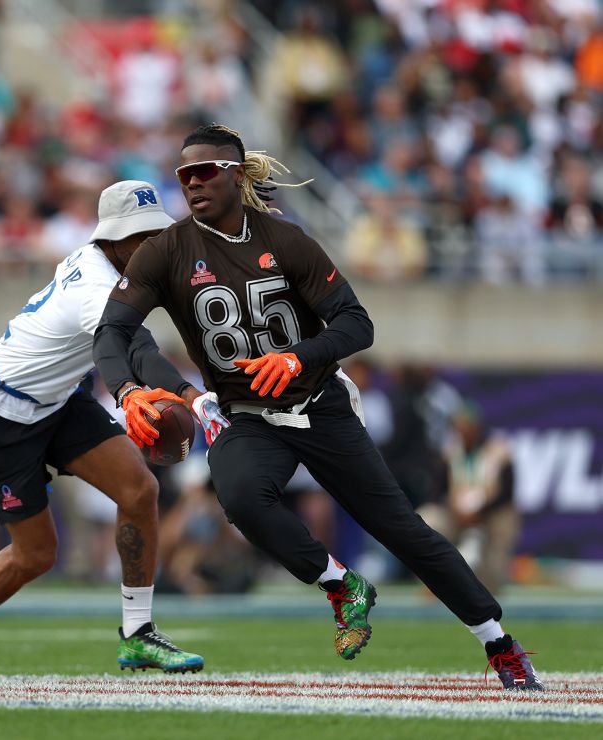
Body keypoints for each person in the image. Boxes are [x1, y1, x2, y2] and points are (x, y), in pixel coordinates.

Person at [92, 124, 542, 691]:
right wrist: (126, 390)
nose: (192, 184)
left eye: (205, 171)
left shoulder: (286, 239)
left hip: (317, 403)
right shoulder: (167, 249)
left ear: (235, 175)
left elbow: (357, 323)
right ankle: (341, 586)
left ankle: (499, 643)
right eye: (185, 175)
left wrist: (298, 359)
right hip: (246, 415)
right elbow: (113, 331)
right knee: (241, 498)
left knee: (402, 529)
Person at [0, 180, 203, 681]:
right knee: (37, 554)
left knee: (140, 490)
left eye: (157, 234)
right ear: (112, 240)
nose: (153, 246)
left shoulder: (111, 265)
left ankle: (137, 635)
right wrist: (182, 395)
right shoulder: (96, 286)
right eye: (142, 236)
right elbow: (132, 348)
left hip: (53, 400)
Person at [419, 403, 520, 594]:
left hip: (490, 513)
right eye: (459, 426)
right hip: (456, 512)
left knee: (506, 520)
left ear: (477, 427)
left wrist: (481, 510)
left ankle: (490, 585)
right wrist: (454, 507)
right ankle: (434, 582)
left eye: (467, 426)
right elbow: (436, 492)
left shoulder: (499, 451)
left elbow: (507, 494)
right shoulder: (450, 452)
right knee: (428, 518)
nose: (463, 431)